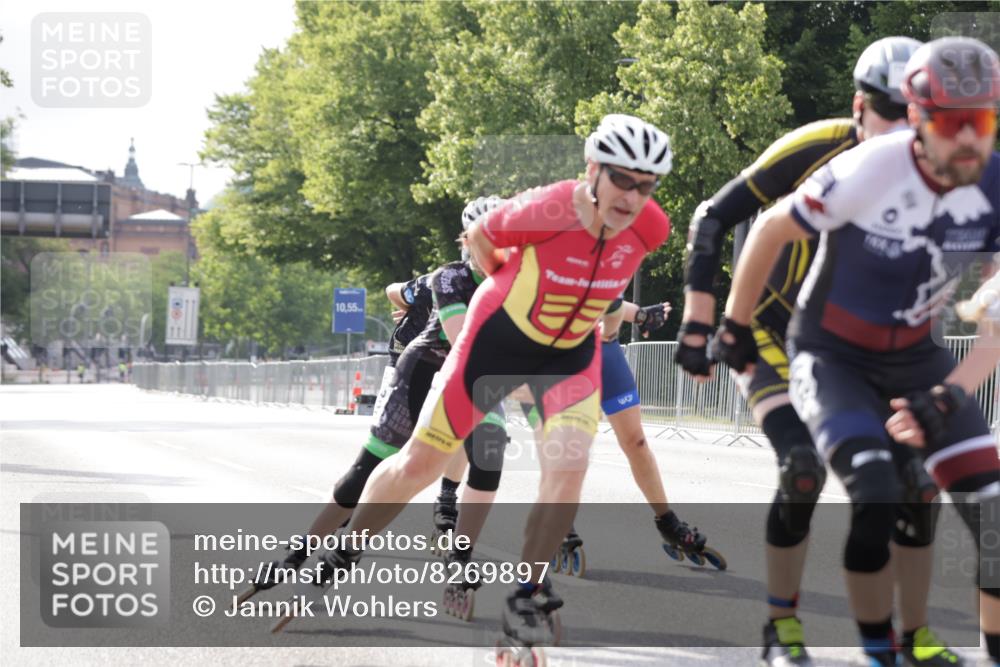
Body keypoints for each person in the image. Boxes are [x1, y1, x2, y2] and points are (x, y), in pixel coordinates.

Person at [315, 114, 673, 654]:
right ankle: (346, 548)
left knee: (570, 469)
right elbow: (482, 238)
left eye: (646, 186)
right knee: (422, 464)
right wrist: (508, 285)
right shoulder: (548, 207)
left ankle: (526, 596)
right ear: (592, 169)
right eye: (622, 180)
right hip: (497, 338)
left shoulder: (652, 226)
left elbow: (608, 285)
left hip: (569, 354)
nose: (632, 197)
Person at [712, 36, 1000, 667]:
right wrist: (730, 326)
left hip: (918, 360)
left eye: (984, 122)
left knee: (993, 515)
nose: (971, 142)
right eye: (954, 124)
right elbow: (766, 225)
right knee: (870, 490)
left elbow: (995, 327)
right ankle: (866, 650)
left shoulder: (994, 180)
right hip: (832, 354)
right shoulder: (870, 165)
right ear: (919, 119)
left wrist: (950, 393)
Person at [240, 197, 509, 601]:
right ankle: (298, 554)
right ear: (467, 242)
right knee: (373, 463)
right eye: (486, 241)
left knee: (488, 453)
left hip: (478, 374)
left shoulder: (520, 278)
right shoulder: (450, 277)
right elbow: (459, 343)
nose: (497, 251)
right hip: (427, 368)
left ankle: (460, 556)